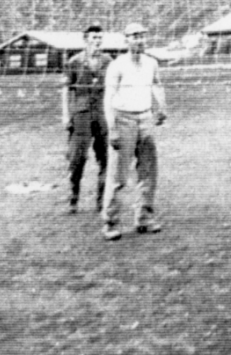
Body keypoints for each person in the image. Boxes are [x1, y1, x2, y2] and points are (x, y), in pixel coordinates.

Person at [101, 22, 167, 241]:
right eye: (134, 36)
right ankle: (111, 222)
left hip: (145, 118)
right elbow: (108, 98)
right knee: (118, 175)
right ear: (126, 40)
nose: (139, 40)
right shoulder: (117, 65)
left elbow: (157, 84)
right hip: (123, 119)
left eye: (142, 36)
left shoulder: (151, 63)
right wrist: (112, 129)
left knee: (148, 172)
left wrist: (162, 107)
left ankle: (144, 218)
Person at [62, 23, 111, 214]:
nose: (97, 41)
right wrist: (66, 114)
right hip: (81, 114)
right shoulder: (74, 61)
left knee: (106, 158)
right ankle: (73, 196)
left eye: (100, 38)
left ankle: (101, 200)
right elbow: (66, 90)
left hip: (102, 113)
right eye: (93, 38)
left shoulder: (108, 60)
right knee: (77, 158)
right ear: (85, 40)